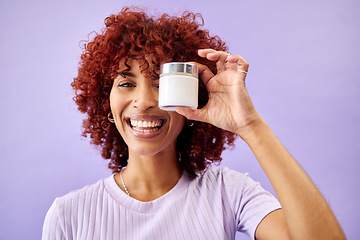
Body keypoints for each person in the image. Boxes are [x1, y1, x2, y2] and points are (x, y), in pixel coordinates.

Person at [42, 7, 346, 240]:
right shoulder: (69, 215)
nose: (145, 100)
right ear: (104, 102)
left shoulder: (229, 192)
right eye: (126, 83)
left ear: (194, 97)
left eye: (162, 82)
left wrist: (249, 125)